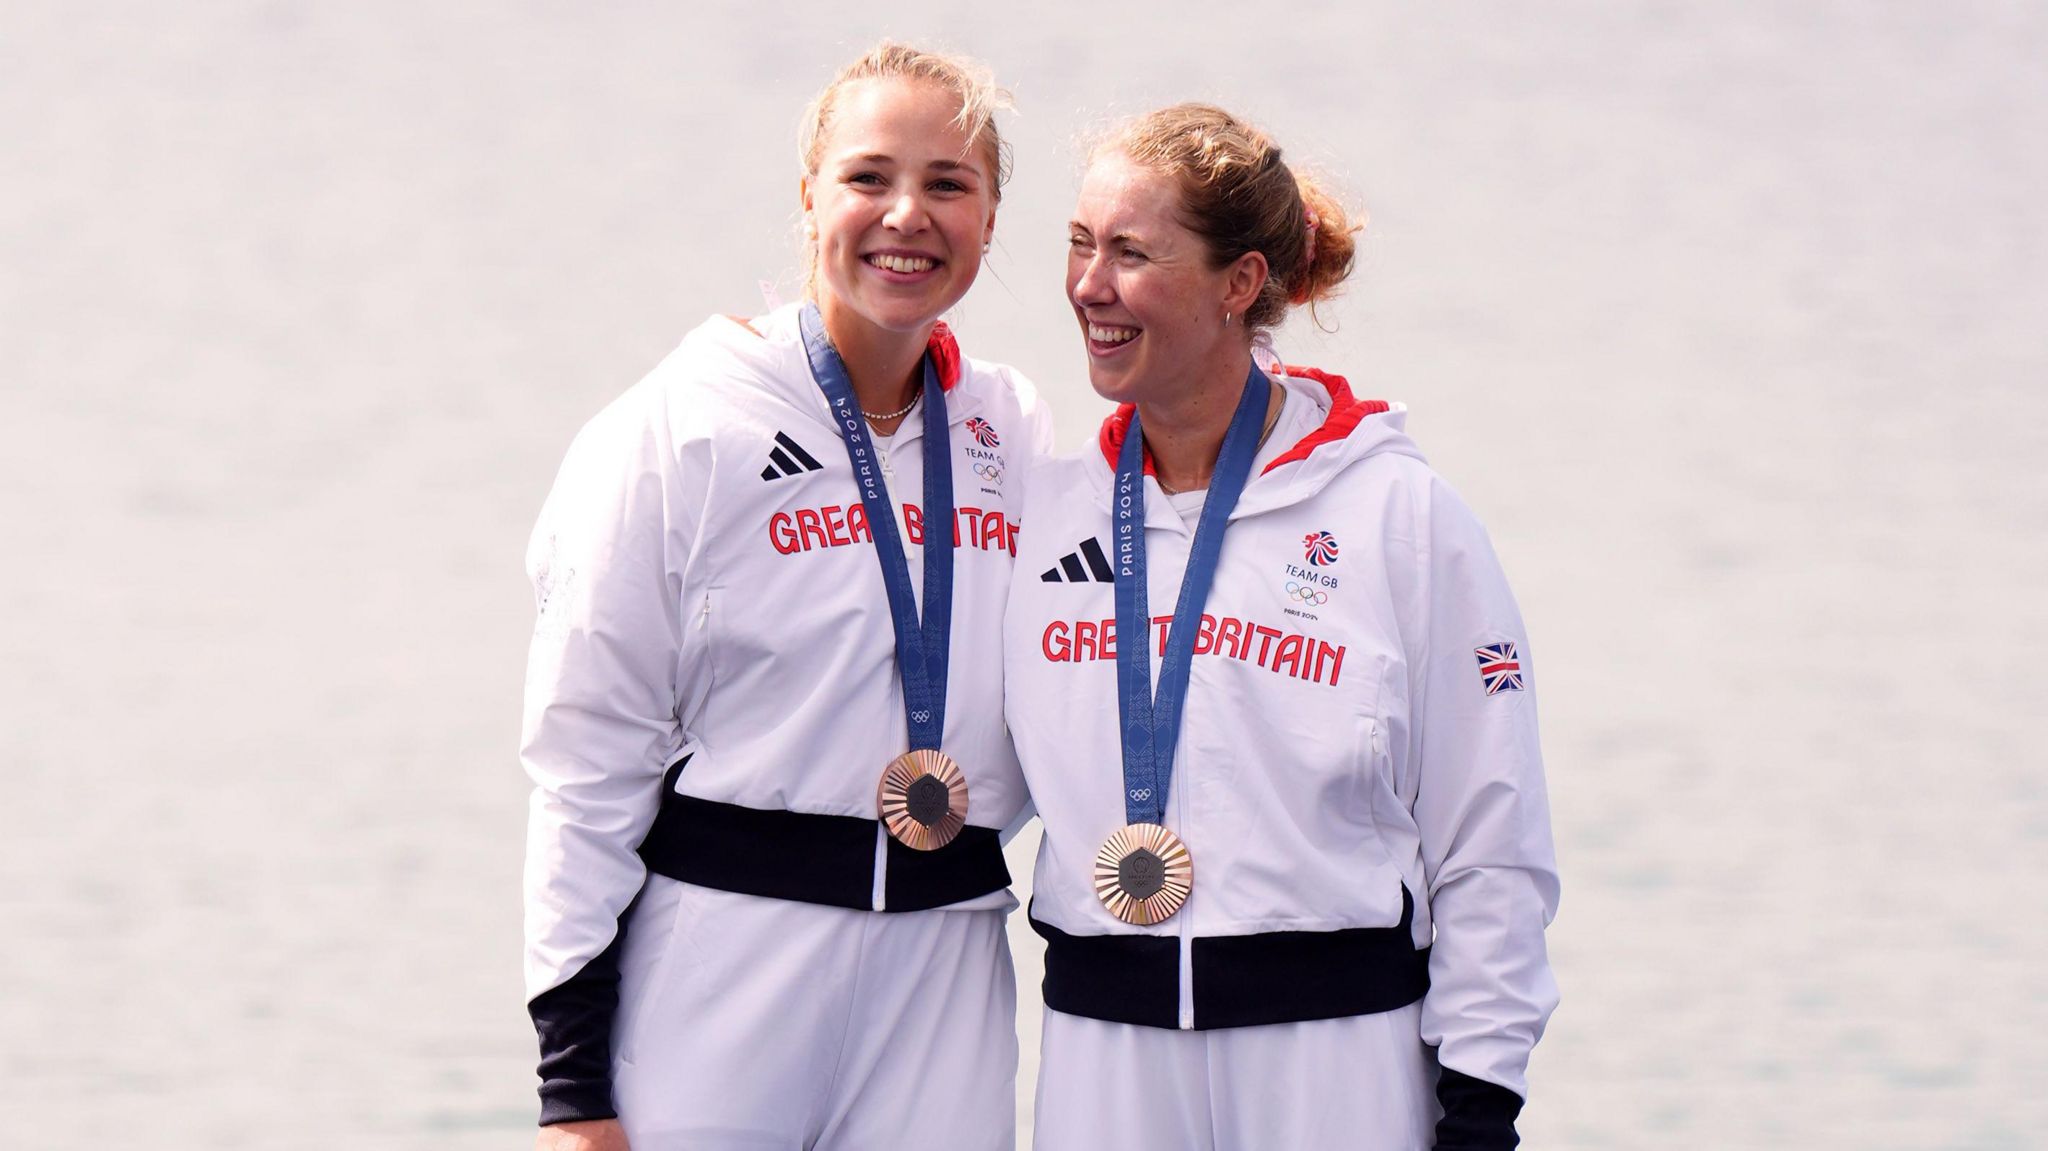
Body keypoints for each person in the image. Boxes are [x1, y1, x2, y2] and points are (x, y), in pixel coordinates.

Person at [521, 43, 1051, 1151]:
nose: (906, 214)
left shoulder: (1018, 433)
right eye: (868, 177)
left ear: (992, 218)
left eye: (948, 184)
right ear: (808, 197)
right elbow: (585, 753)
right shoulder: (674, 429)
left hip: (942, 970)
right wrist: (571, 1085)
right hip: (726, 962)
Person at [1004, 103, 1559, 1150]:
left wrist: (1481, 1100)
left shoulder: (1395, 512)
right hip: (1102, 1051)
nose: (1088, 285)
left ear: (1238, 283)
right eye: (1078, 245)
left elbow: (1490, 837)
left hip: (1332, 1055)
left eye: (1131, 251)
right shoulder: (1049, 507)